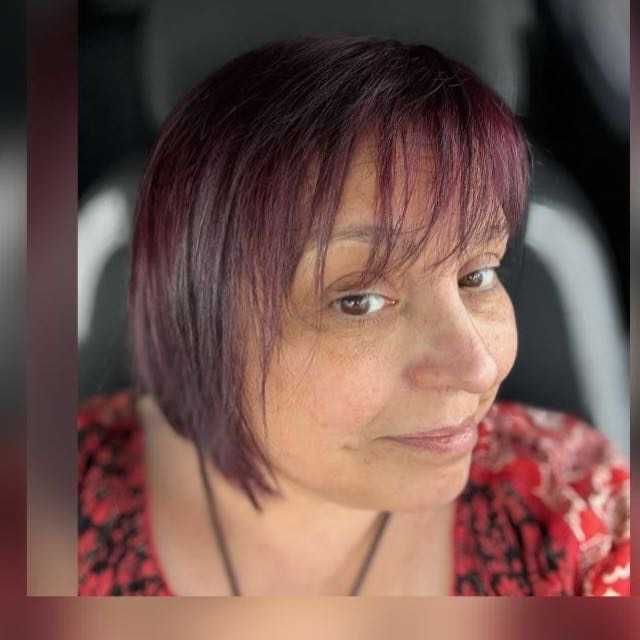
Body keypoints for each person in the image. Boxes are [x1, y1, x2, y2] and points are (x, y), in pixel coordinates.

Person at [78, 35, 630, 596]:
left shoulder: (580, 515)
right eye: (358, 301)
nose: (478, 367)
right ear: (195, 317)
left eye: (478, 275)